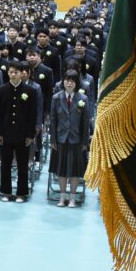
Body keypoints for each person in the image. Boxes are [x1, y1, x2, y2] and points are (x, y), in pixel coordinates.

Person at [0, 61, 38, 202]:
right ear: (8, 73)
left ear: (22, 74)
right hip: (5, 133)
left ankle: (21, 192)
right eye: (11, 72)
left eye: (16, 72)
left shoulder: (30, 91)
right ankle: (6, 191)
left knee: (22, 164)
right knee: (5, 163)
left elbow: (33, 114)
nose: (13, 74)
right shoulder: (1, 90)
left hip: (22, 134)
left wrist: (31, 135)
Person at [49, 70, 91, 208]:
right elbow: (53, 120)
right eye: (67, 80)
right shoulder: (56, 97)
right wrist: (53, 139)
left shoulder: (82, 99)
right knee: (61, 169)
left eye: (72, 80)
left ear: (76, 83)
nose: (69, 83)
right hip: (60, 139)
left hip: (76, 139)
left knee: (75, 170)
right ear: (63, 81)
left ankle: (72, 198)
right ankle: (62, 197)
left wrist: (85, 142)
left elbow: (85, 122)